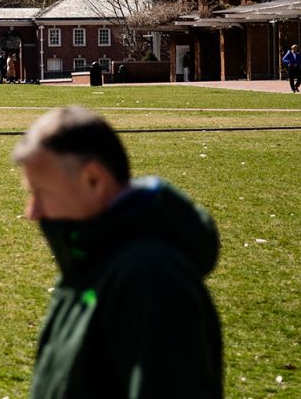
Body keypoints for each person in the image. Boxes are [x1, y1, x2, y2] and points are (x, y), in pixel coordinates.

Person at [13, 106, 222, 398]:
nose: (32, 211)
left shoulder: (150, 279)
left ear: (94, 180)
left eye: (41, 191)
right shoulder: (88, 259)